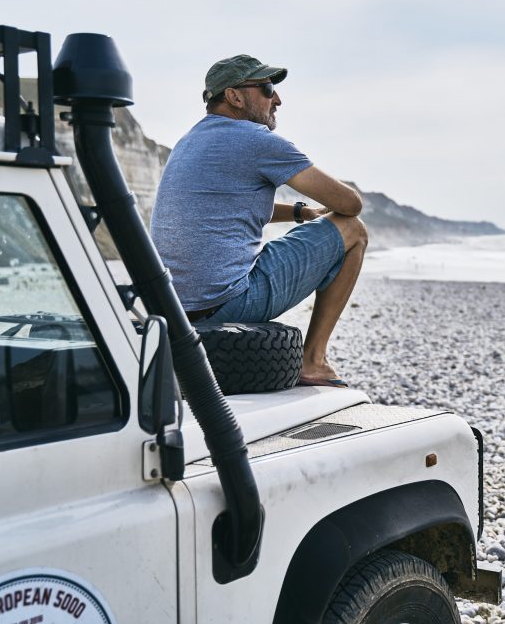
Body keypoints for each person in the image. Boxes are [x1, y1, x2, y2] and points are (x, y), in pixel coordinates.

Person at [150, 55, 367, 388]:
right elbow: (349, 204)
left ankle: (313, 360)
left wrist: (300, 213)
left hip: (175, 308)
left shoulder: (189, 142)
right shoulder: (255, 140)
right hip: (226, 304)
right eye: (267, 89)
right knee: (353, 230)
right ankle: (313, 361)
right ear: (235, 97)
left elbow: (228, 207)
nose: (277, 99)